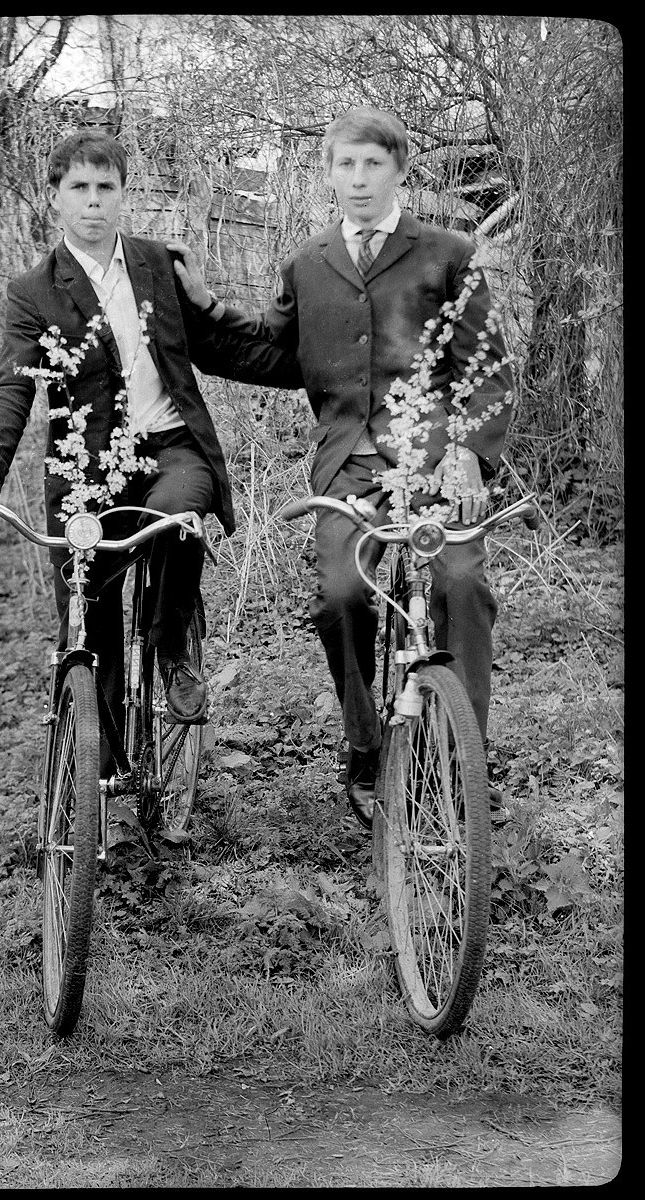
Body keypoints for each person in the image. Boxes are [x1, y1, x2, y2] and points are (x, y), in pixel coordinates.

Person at [170, 106, 514, 826]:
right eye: (345, 165)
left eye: (372, 165)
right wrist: (202, 309)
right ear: (327, 173)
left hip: (433, 460)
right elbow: (273, 351)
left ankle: (460, 764)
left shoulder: (446, 253)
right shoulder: (309, 261)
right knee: (339, 598)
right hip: (346, 469)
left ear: (398, 171)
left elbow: (485, 371)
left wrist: (469, 460)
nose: (358, 179)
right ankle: (364, 747)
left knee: (459, 583)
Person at [0, 129, 298, 731]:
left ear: (124, 194)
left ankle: (173, 648)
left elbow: (216, 350)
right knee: (88, 623)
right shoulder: (33, 292)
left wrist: (321, 374)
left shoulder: (160, 264)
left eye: (107, 187)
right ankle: (104, 788)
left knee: (178, 520)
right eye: (79, 187)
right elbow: (12, 386)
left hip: (171, 447)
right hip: (88, 469)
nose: (94, 201)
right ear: (55, 196)